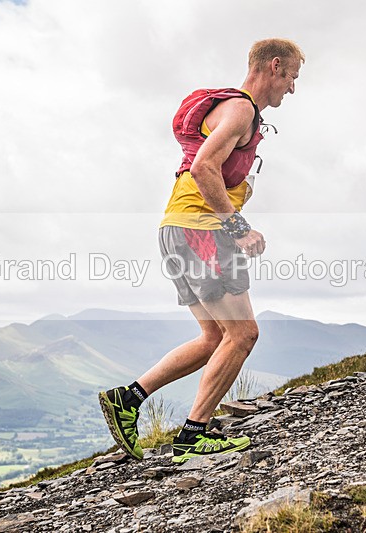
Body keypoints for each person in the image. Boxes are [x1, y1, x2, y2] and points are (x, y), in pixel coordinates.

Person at [99, 38, 304, 464]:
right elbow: (203, 167)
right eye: (292, 77)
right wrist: (238, 227)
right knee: (243, 334)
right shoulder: (241, 109)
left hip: (176, 228)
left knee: (215, 336)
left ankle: (128, 399)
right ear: (274, 66)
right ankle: (194, 433)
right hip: (202, 231)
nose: (293, 88)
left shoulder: (234, 110)